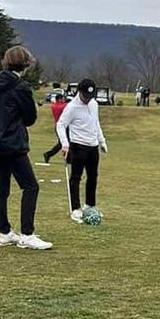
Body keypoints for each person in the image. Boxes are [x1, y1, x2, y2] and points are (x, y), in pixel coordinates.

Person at [0, 46, 52, 249]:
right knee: (31, 186)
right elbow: (30, 118)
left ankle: (4, 232)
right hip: (13, 144)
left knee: (2, 189)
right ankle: (27, 234)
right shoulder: (21, 87)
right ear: (25, 64)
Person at [56, 78, 107, 223]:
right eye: (85, 96)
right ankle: (75, 208)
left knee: (92, 177)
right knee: (76, 177)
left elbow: (96, 123)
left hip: (93, 146)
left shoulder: (94, 104)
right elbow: (61, 125)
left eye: (90, 96)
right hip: (78, 146)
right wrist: (65, 144)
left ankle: (90, 205)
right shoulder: (72, 107)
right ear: (79, 92)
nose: (87, 99)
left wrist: (102, 141)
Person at [42, 93, 70, 163]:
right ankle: (48, 154)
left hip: (58, 125)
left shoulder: (54, 106)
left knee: (64, 143)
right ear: (59, 99)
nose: (63, 100)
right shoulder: (63, 106)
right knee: (63, 143)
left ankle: (68, 158)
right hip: (63, 126)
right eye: (62, 99)